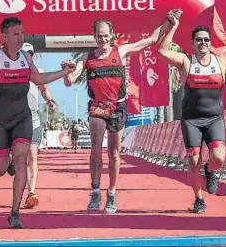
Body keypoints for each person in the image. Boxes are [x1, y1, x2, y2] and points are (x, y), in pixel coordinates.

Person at [0, 17, 75, 228]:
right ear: (5, 37)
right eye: (16, 34)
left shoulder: (26, 60)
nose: (21, 38)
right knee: (0, 169)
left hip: (23, 117)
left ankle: (15, 213)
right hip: (0, 121)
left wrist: (65, 72)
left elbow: (39, 80)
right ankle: (6, 162)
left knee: (22, 161)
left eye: (22, 33)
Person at [63, 15, 173, 214]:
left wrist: (167, 23)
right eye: (99, 36)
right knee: (96, 151)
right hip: (97, 107)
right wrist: (66, 70)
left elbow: (150, 40)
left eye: (105, 36)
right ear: (94, 36)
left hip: (117, 108)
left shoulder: (120, 51)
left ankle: (111, 193)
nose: (102, 40)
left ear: (111, 36)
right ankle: (95, 191)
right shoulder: (87, 58)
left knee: (114, 154)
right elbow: (70, 80)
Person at [157, 9, 226, 213]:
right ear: (193, 44)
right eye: (198, 40)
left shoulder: (220, 63)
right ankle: (198, 198)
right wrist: (173, 26)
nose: (203, 42)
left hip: (214, 119)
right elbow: (162, 51)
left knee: (219, 158)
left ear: (210, 43)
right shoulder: (186, 61)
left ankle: (211, 170)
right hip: (192, 120)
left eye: (206, 39)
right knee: (193, 158)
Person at [15, 42, 58, 209]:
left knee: (32, 154)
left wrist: (51, 101)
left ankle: (31, 193)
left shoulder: (38, 72)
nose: (29, 57)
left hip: (33, 119)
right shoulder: (14, 72)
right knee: (23, 158)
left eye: (31, 54)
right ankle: (25, 190)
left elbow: (43, 90)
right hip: (17, 120)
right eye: (26, 54)